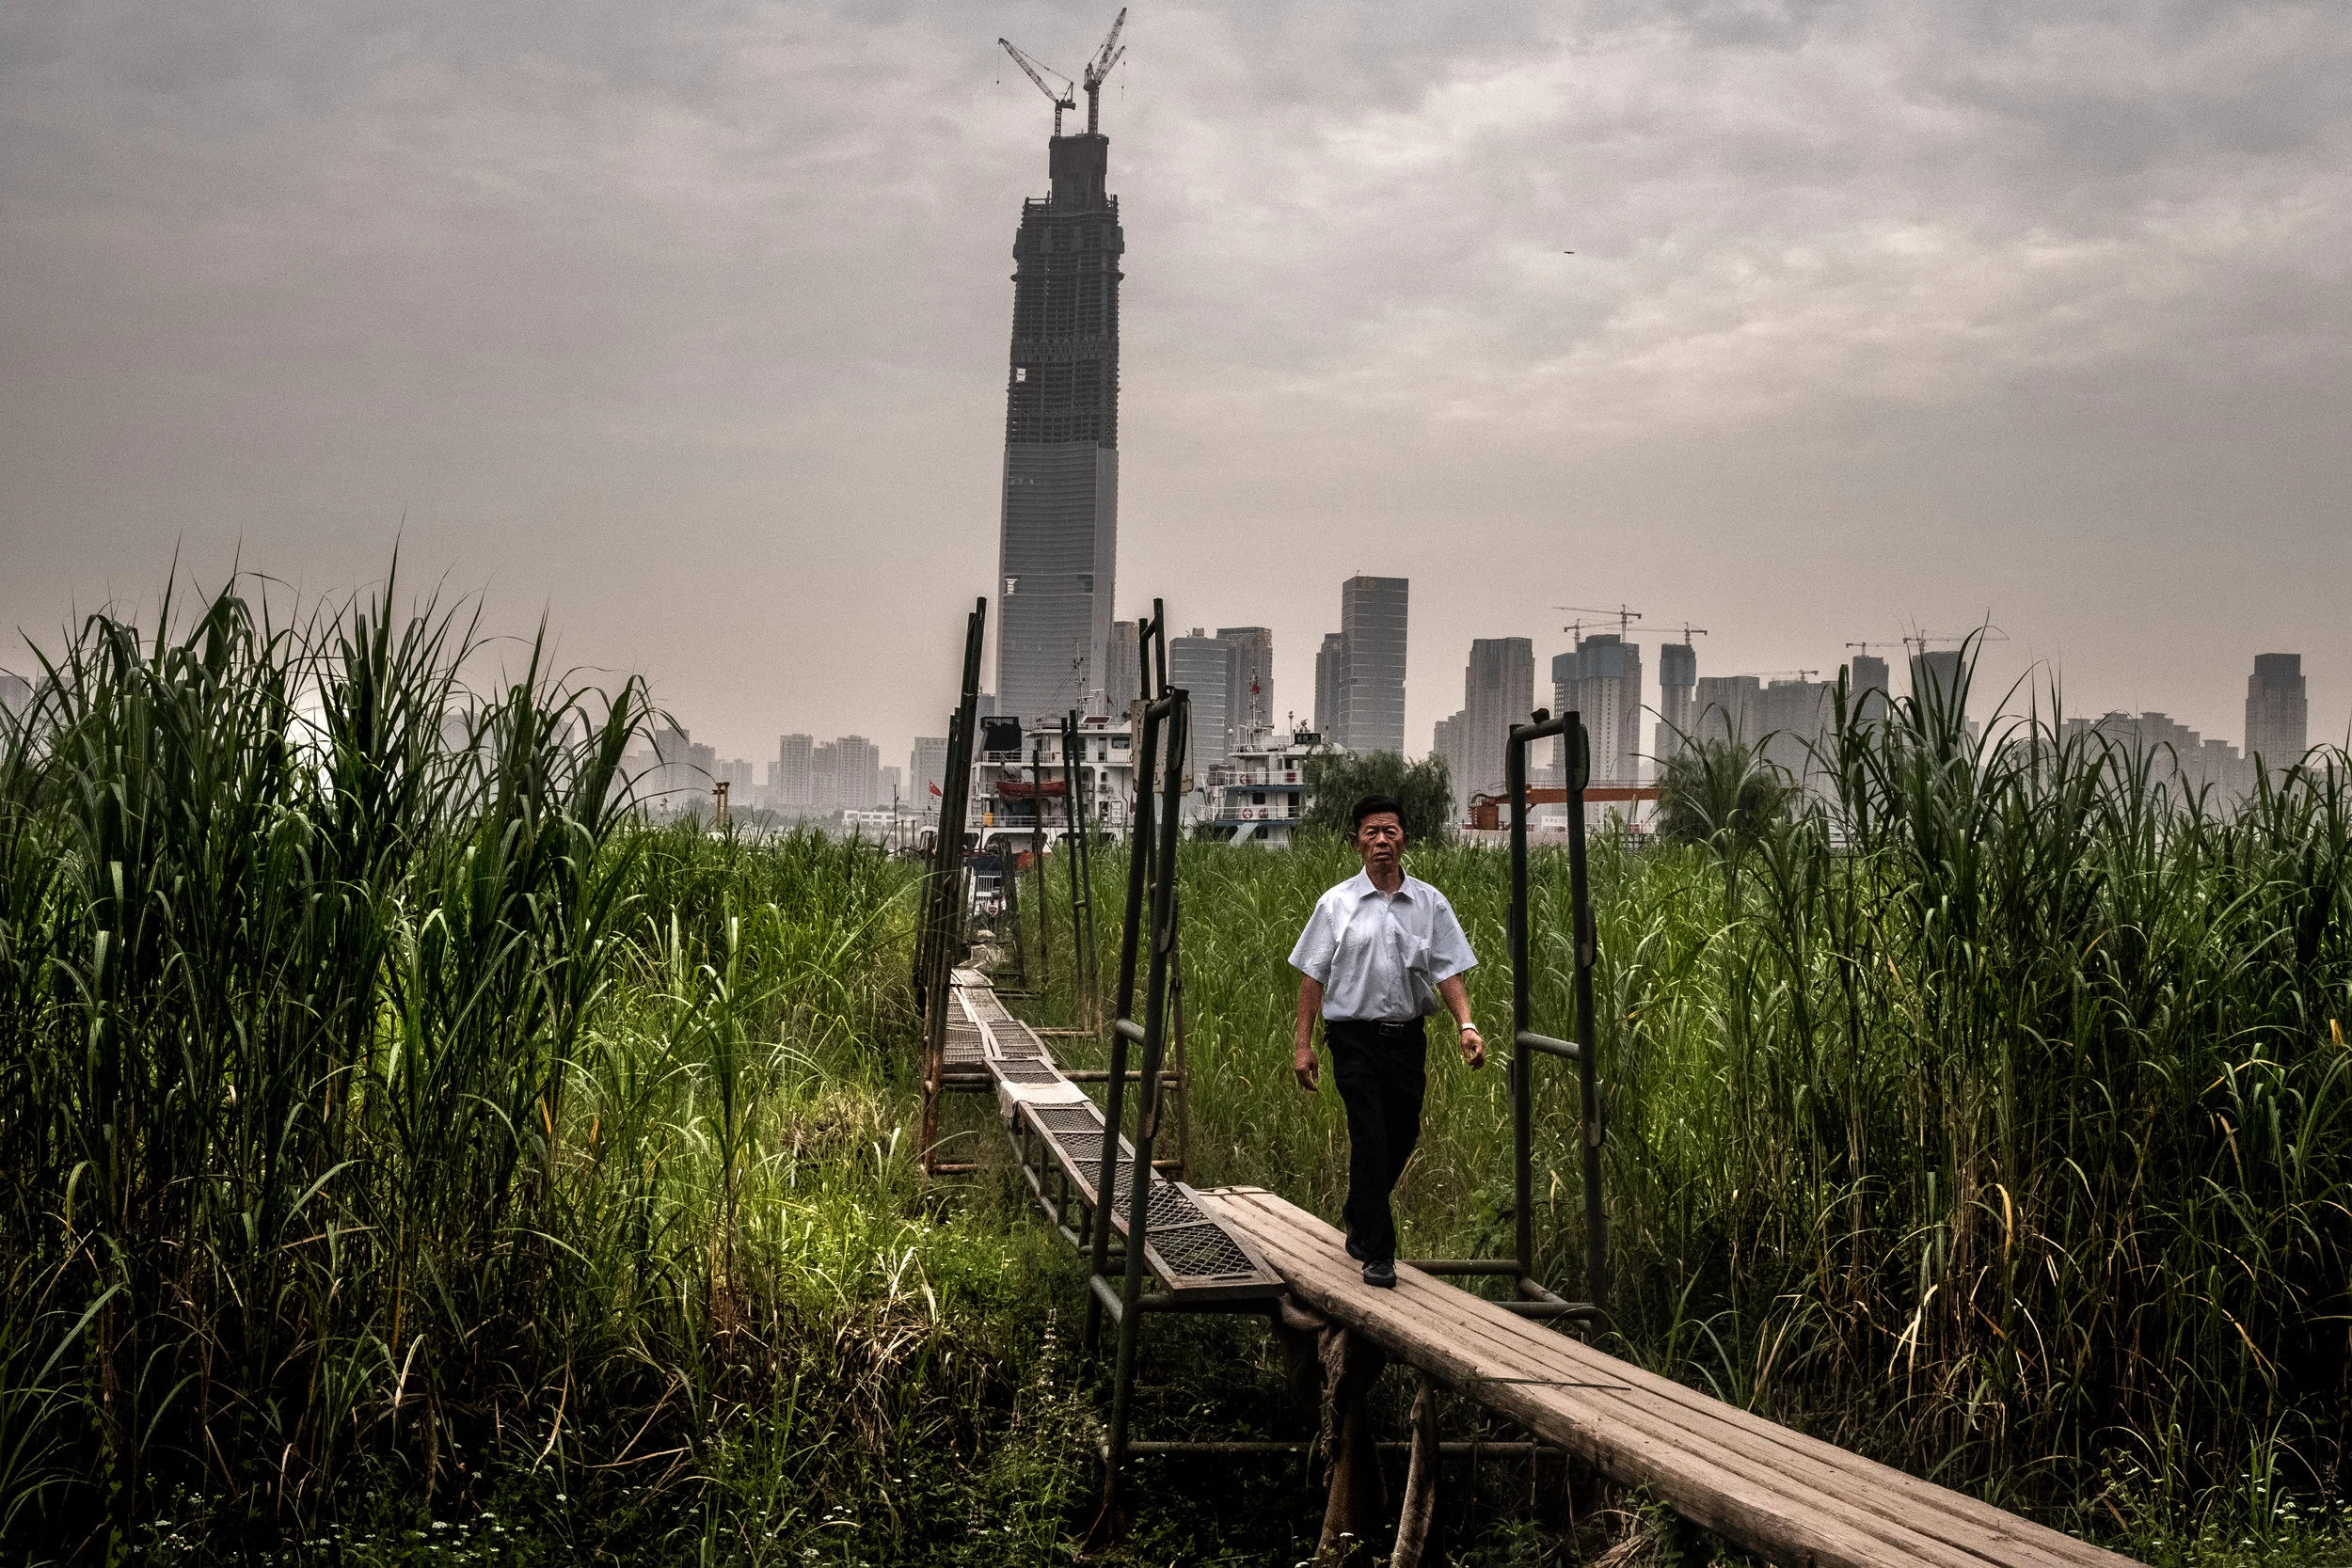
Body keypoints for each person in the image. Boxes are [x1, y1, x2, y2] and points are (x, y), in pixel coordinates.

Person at [1288, 794, 1484, 1288]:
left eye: (1390, 832)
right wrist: (1303, 1045)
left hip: (1407, 1042)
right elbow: (1312, 977)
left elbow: (1449, 970)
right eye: (1371, 833)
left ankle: (1358, 1211)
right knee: (1370, 1137)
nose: (1381, 841)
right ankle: (1379, 1253)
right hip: (1352, 1040)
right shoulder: (1336, 904)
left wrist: (1466, 1024)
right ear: (1357, 842)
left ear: (1405, 841)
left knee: (1402, 1135)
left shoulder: (1430, 903)